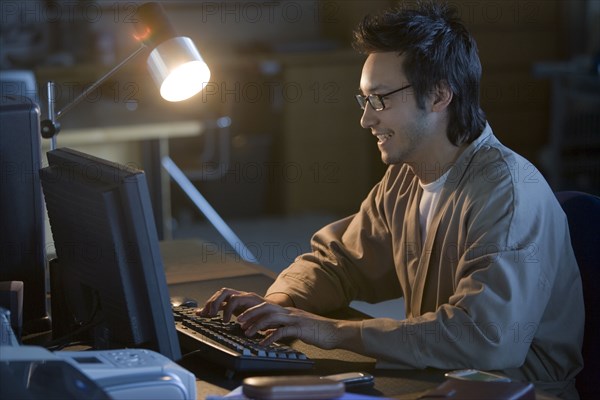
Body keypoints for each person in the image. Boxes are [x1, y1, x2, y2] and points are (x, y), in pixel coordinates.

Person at [199, 2, 584, 398]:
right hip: (442, 379)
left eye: (380, 99)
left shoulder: (507, 192)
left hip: (518, 392)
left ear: (439, 96)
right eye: (364, 100)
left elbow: (484, 338)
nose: (367, 119)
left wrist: (332, 332)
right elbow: (340, 264)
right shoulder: (407, 175)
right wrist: (276, 307)